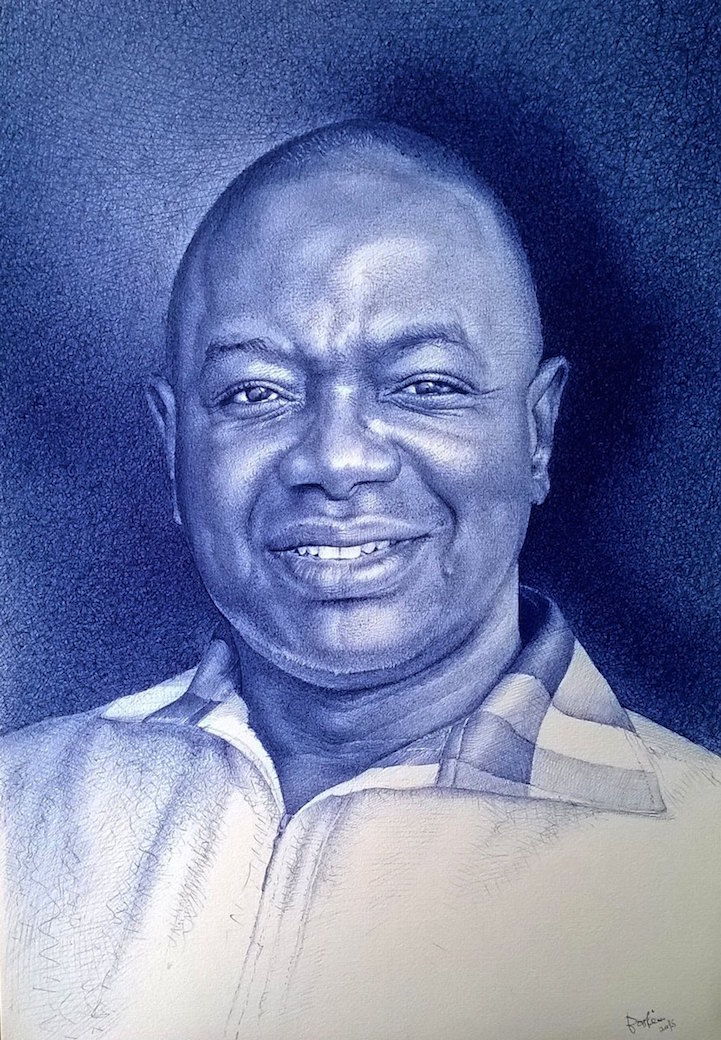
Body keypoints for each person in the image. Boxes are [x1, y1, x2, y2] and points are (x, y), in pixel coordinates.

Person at [2, 121, 719, 1040]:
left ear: (536, 432)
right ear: (172, 446)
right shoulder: (18, 815)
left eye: (425, 385)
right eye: (255, 392)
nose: (336, 461)